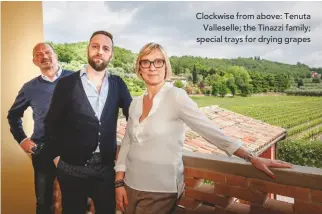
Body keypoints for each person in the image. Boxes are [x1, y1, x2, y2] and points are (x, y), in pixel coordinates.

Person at [114, 43, 293, 214]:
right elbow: (128, 143)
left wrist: (250, 157)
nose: (152, 67)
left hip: (160, 189)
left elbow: (209, 130)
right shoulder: (135, 103)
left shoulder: (176, 97)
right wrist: (119, 182)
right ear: (139, 68)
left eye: (158, 61)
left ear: (166, 67)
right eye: (146, 62)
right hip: (131, 184)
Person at [42, 30, 132, 214]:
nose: (100, 51)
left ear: (111, 54)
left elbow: (135, 117)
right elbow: (51, 124)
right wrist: (57, 159)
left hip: (105, 170)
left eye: (105, 48)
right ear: (88, 50)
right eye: (95, 46)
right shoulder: (66, 84)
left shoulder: (118, 84)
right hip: (71, 169)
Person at [7, 43, 73, 214]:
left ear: (55, 55)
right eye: (39, 54)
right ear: (34, 61)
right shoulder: (30, 87)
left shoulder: (76, 80)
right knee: (43, 202)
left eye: (47, 52)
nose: (44, 56)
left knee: (74, 201)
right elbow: (13, 115)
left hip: (71, 151)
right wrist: (22, 139)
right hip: (42, 149)